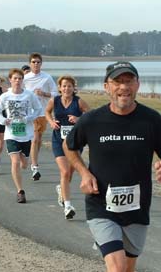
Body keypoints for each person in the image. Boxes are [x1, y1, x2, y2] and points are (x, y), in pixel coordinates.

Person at [63, 61, 161, 272]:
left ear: (138, 85)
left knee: (127, 268)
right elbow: (69, 145)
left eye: (129, 81)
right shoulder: (92, 120)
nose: (123, 87)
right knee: (116, 267)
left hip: (137, 208)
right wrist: (84, 173)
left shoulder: (151, 120)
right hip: (101, 205)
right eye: (117, 81)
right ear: (106, 86)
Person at [0, 68, 42, 203]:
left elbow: (38, 109)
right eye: (15, 78)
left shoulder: (29, 95)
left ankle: (24, 161)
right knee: (15, 161)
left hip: (26, 134)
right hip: (11, 134)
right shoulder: (5, 96)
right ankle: (20, 191)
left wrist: (29, 118)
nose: (18, 81)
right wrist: (3, 120)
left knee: (24, 164)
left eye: (20, 78)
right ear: (10, 80)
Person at [45, 75, 90, 219]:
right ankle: (68, 206)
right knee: (64, 172)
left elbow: (91, 115)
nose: (66, 88)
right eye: (64, 86)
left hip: (74, 142)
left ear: (73, 88)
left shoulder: (79, 102)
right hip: (58, 140)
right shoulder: (55, 100)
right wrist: (51, 122)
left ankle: (61, 190)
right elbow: (46, 112)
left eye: (69, 86)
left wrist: (78, 119)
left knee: (69, 173)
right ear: (59, 88)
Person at [23, 52, 58, 181]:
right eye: (33, 62)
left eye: (38, 62)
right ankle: (35, 166)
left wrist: (43, 93)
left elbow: (55, 94)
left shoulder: (47, 77)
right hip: (30, 113)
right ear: (30, 63)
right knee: (35, 138)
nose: (36, 64)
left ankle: (32, 158)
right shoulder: (25, 78)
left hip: (43, 112)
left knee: (38, 140)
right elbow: (17, 92)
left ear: (41, 64)